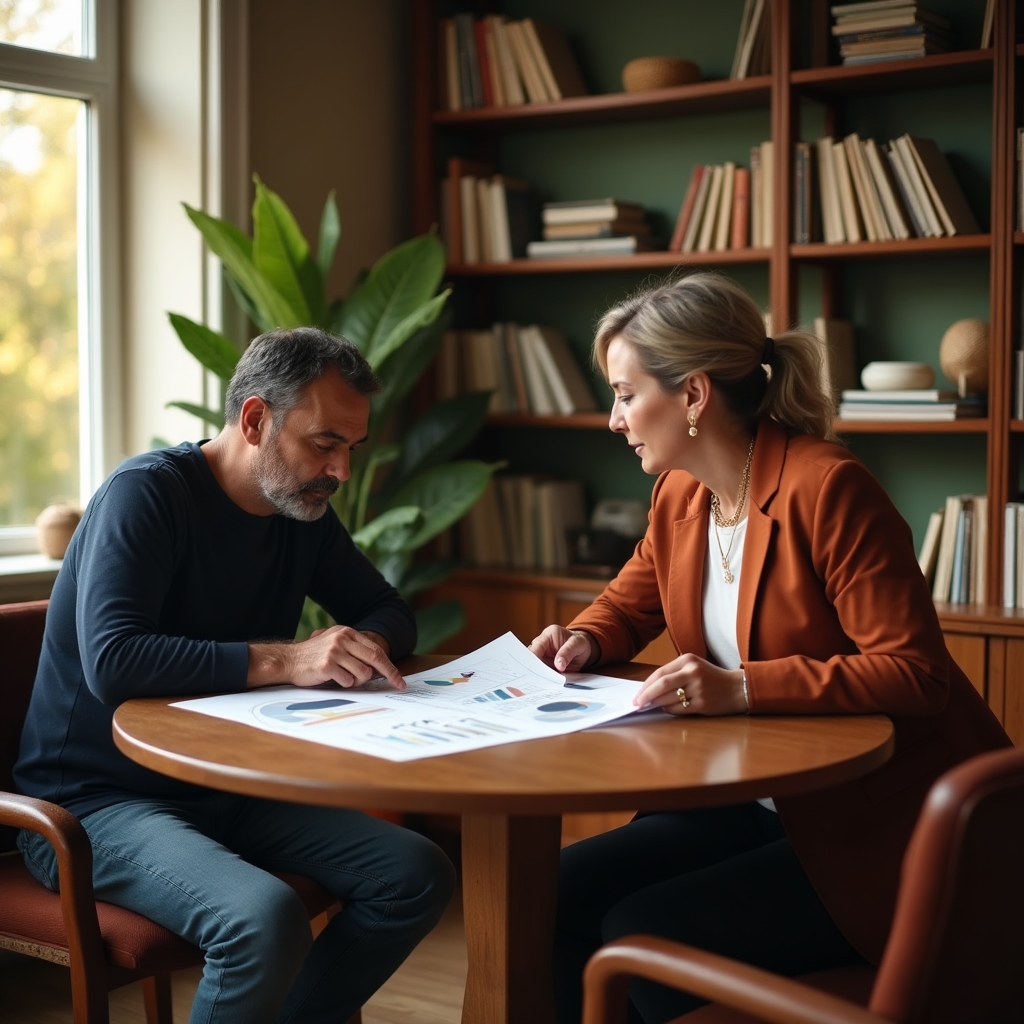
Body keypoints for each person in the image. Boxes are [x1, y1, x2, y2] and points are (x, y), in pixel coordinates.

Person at [530, 272, 1010, 1024]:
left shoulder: (829, 489)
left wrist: (743, 687)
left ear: (692, 396)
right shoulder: (682, 494)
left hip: (874, 830)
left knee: (638, 930)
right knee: (552, 897)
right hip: (752, 803)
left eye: (626, 395)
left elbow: (915, 674)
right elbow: (628, 602)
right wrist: (584, 638)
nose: (615, 419)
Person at [14, 327, 456, 1024]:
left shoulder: (300, 508)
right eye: (324, 443)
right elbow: (115, 661)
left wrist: (360, 644)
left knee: (414, 873)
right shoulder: (146, 497)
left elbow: (387, 609)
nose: (340, 471)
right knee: (262, 918)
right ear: (254, 420)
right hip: (94, 805)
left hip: (225, 782)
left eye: (350, 448)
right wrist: (291, 658)